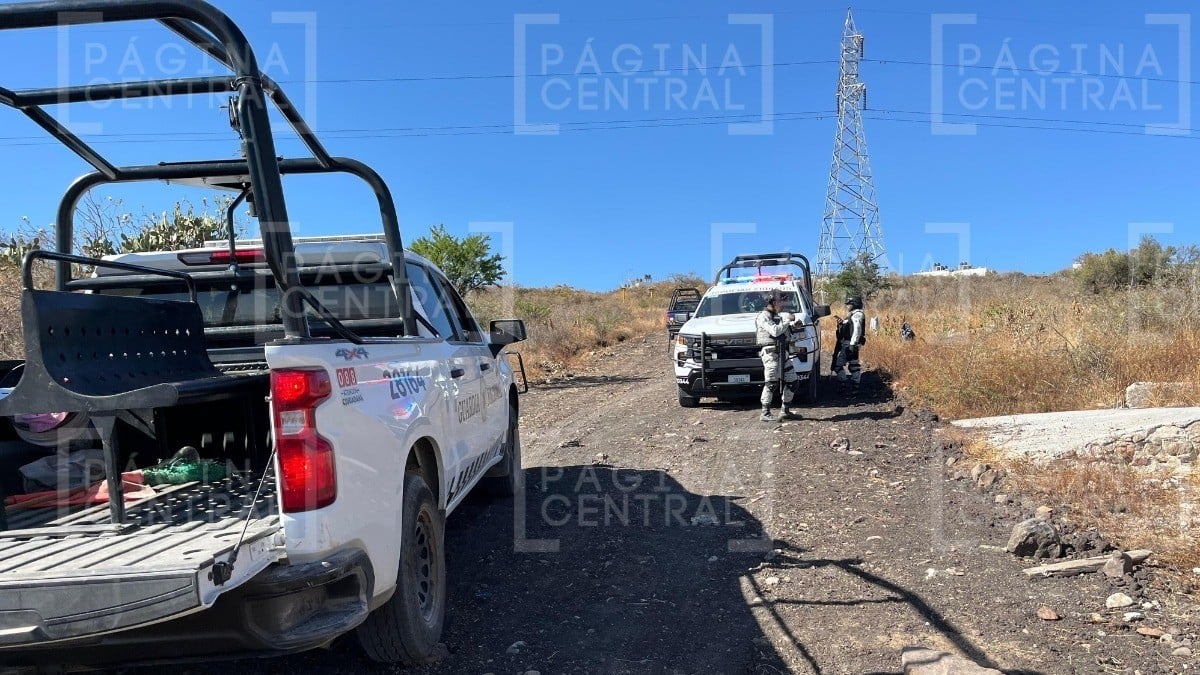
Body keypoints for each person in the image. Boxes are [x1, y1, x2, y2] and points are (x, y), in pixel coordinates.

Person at [754, 294, 802, 422]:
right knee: (771, 383)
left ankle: (785, 411)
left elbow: (783, 332)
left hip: (782, 353)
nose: (783, 304)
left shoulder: (776, 316)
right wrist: (788, 321)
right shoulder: (763, 316)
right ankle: (765, 413)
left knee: (793, 381)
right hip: (771, 354)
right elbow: (775, 331)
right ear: (773, 302)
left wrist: (793, 327)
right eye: (781, 301)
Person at [833, 295, 866, 395]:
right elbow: (849, 325)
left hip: (850, 343)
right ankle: (854, 387)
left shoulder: (857, 315)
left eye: (849, 304)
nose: (847, 306)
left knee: (839, 366)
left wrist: (852, 344)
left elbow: (857, 329)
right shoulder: (854, 314)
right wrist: (842, 323)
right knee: (853, 365)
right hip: (850, 343)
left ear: (854, 304)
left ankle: (846, 385)